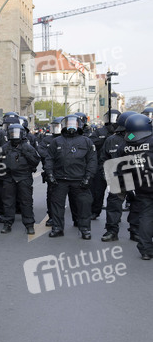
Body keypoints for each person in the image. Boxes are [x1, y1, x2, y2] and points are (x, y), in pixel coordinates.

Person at [43, 115, 97, 239]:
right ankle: (57, 228)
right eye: (69, 123)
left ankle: (85, 229)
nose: (71, 126)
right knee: (57, 205)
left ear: (79, 125)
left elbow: (92, 161)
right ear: (64, 125)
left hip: (80, 179)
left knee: (84, 205)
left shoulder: (86, 141)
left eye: (74, 123)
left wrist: (89, 177)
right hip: (60, 179)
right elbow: (49, 159)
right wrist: (49, 174)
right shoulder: (56, 141)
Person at [117, 114, 153, 259]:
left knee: (146, 217)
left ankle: (145, 250)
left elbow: (120, 170)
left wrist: (126, 189)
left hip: (141, 187)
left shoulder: (125, 146)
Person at [101, 111, 136, 242]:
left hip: (136, 177)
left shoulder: (137, 138)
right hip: (117, 178)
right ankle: (112, 231)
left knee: (137, 206)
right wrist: (106, 175)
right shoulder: (111, 140)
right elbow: (103, 159)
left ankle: (135, 231)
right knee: (114, 206)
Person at [0, 122, 40, 234]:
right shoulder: (5, 147)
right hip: (9, 177)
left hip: (24, 177)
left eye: (17, 133)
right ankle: (7, 223)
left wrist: (25, 154)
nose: (14, 135)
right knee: (8, 201)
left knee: (26, 201)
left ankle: (29, 224)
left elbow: (35, 161)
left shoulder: (27, 147)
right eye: (12, 133)